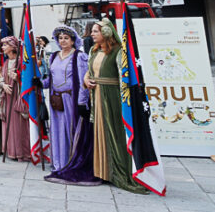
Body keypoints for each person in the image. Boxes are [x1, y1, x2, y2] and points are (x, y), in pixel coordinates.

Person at [54, 19, 148, 194]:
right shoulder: (93, 50)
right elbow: (89, 71)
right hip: (96, 96)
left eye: (95, 31)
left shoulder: (118, 51)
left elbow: (124, 76)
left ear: (106, 33)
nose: (91, 34)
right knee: (100, 133)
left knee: (114, 133)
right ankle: (103, 170)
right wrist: (86, 80)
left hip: (111, 96)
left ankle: (119, 171)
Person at [41, 25, 90, 171]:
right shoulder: (54, 56)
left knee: (69, 130)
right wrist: (40, 83)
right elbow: (50, 78)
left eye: (66, 38)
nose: (62, 41)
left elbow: (83, 81)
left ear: (73, 40)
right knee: (56, 130)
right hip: (55, 100)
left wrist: (82, 102)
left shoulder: (79, 57)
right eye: (60, 38)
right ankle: (58, 161)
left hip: (70, 99)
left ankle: (70, 161)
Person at [0, 36, 31, 162]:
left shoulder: (20, 62)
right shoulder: (6, 63)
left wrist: (18, 79)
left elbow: (28, 81)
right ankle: (11, 150)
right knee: (9, 124)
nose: (3, 48)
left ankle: (22, 151)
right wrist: (3, 85)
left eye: (5, 45)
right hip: (7, 97)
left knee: (19, 125)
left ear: (13, 46)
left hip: (17, 97)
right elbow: (1, 79)